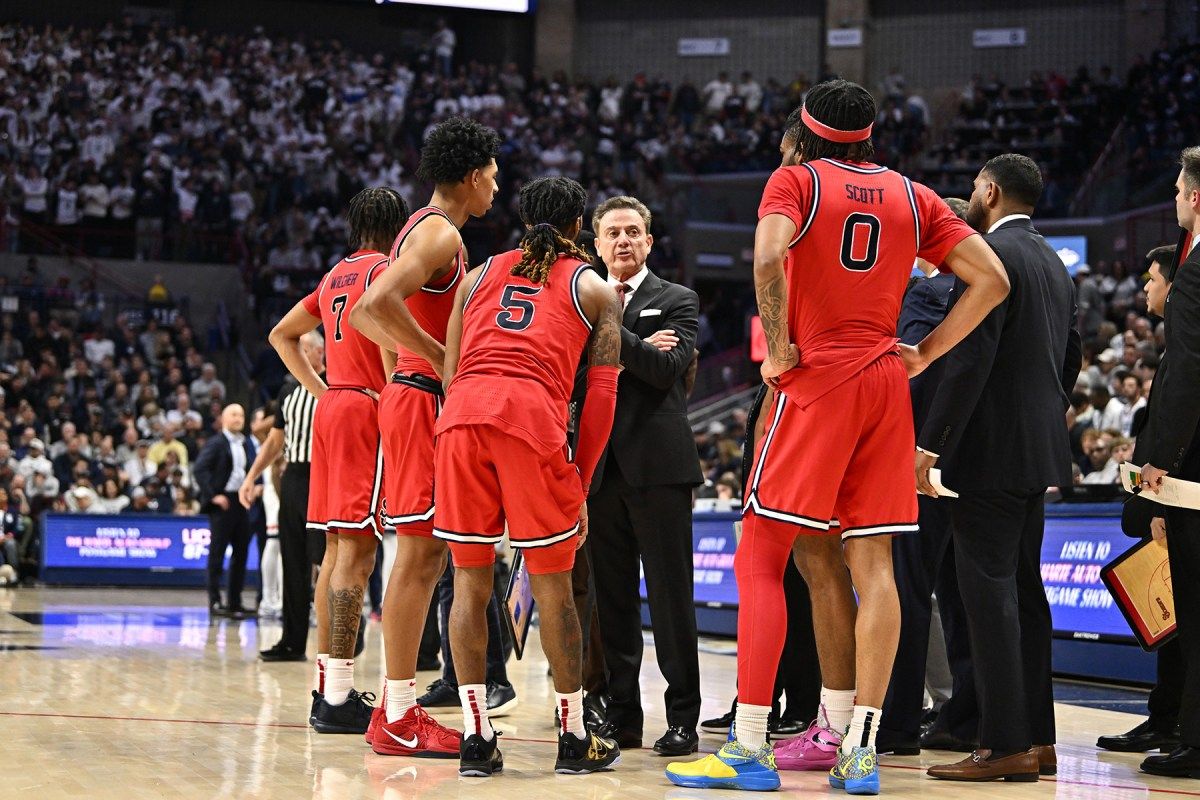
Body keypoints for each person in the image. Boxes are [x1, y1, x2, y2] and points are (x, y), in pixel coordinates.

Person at [667, 79, 1009, 794]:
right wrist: (928, 351)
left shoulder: (796, 180)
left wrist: (780, 346)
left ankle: (750, 747)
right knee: (874, 567)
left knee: (760, 554)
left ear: (808, 131)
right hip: (886, 381)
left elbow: (766, 258)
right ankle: (859, 748)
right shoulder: (913, 195)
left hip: (820, 379)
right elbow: (993, 279)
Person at [435, 176, 623, 777]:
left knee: (468, 586)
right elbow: (602, 396)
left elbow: (450, 367)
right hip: (530, 421)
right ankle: (572, 737)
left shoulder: (477, 274)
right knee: (554, 589)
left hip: (462, 416)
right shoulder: (593, 287)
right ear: (578, 226)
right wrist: (582, 479)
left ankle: (475, 736)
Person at [919, 154, 1081, 782]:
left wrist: (931, 443)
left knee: (985, 595)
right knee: (1025, 593)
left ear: (987, 192)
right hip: (1037, 450)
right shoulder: (1053, 262)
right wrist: (1041, 421)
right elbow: (1069, 358)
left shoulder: (985, 256)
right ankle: (1039, 739)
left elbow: (967, 360)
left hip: (984, 454)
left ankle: (1003, 743)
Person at [351, 116, 499, 758]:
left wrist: (407, 377)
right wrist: (441, 361)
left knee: (423, 558)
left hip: (412, 401)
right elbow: (371, 306)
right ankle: (399, 712)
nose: (496, 187)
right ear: (471, 178)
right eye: (492, 176)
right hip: (422, 404)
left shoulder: (427, 227)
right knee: (415, 560)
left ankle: (397, 707)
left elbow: (383, 320)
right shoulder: (438, 232)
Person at [268, 186, 408, 735]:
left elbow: (282, 335)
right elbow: (395, 348)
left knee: (333, 553)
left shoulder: (334, 276)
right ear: (399, 230)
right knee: (358, 553)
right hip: (367, 410)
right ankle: (339, 696)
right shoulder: (386, 273)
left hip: (332, 410)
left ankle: (328, 689)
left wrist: (323, 390)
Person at [585, 194, 703, 757]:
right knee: (612, 605)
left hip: (660, 470)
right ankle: (623, 720)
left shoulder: (677, 298)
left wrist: (607, 332)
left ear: (650, 241)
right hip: (600, 471)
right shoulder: (582, 303)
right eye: (613, 232)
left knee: (672, 599)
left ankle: (683, 718)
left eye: (634, 231)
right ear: (596, 243)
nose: (624, 240)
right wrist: (633, 344)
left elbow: (663, 370)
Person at [879, 197, 979, 757]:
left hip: (927, 460)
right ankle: (966, 715)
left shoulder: (926, 291)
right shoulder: (993, 289)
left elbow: (917, 374)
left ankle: (895, 725)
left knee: (909, 589)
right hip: (983, 460)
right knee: (966, 595)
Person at [1098, 244, 1184, 757]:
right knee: (1171, 621)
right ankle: (1166, 717)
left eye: (1153, 279)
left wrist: (1161, 506)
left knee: (1178, 622)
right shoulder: (1176, 342)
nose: (1146, 288)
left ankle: (1172, 723)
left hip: (1173, 501)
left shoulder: (1187, 340)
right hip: (1162, 496)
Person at [1135, 147, 1200, 779]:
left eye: (1180, 189)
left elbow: (1186, 375)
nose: (1175, 197)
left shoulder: (1198, 268)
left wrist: (1163, 464)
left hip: (1194, 472)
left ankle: (1196, 741)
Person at [241, 332, 324, 662]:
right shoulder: (288, 390)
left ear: (320, 353)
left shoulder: (334, 385)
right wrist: (251, 476)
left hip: (326, 477)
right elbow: (275, 441)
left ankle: (347, 637)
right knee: (293, 561)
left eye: (304, 351)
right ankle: (292, 641)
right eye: (295, 352)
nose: (298, 358)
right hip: (294, 477)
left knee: (329, 561)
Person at [193, 404, 260, 619]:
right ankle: (214, 601)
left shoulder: (246, 443)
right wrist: (213, 495)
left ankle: (235, 602)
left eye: (241, 414)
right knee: (217, 553)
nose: (238, 418)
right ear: (223, 419)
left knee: (241, 553)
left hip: (241, 502)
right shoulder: (216, 443)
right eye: (233, 414)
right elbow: (199, 469)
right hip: (223, 503)